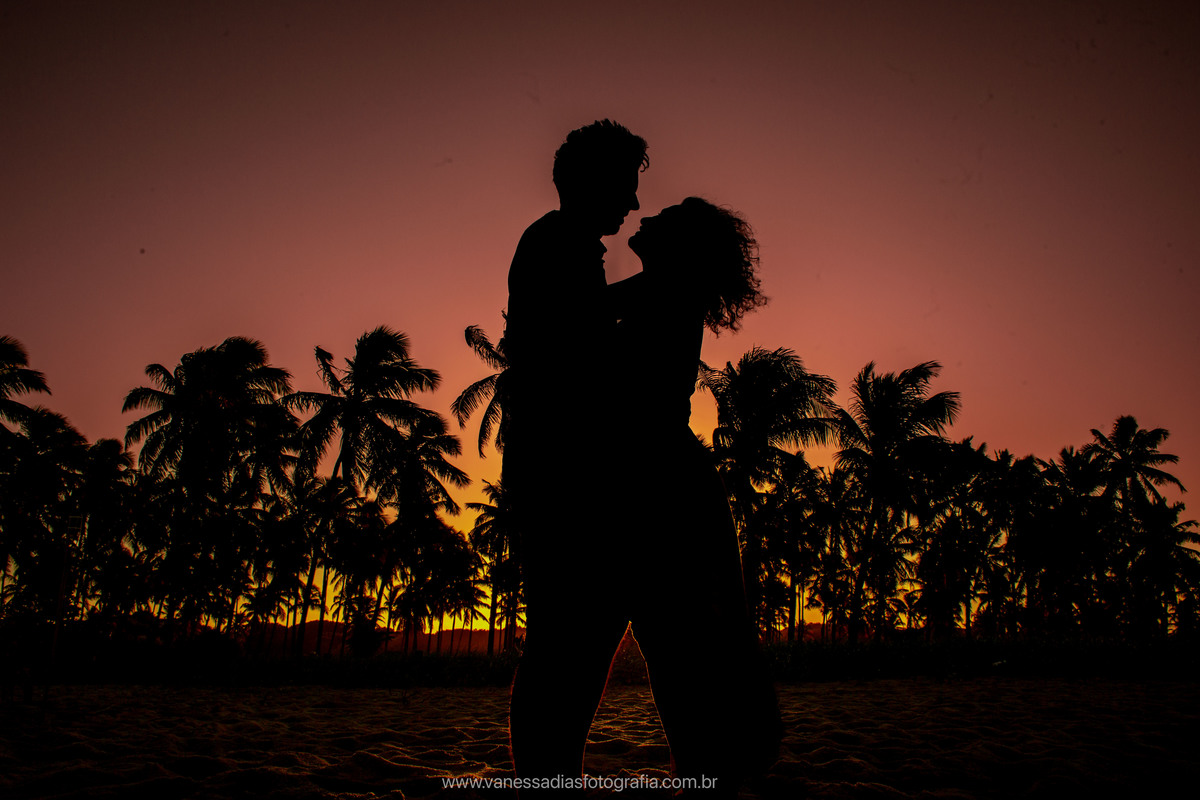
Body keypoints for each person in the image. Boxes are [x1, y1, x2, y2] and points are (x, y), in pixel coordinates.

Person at [615, 197, 781, 795]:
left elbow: (576, 320)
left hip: (665, 479)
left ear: (680, 245)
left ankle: (708, 769)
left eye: (666, 216)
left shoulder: (664, 291)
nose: (647, 216)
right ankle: (709, 768)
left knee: (682, 638)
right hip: (666, 476)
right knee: (680, 637)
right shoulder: (655, 288)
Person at [503, 119, 649, 794]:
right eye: (627, 185)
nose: (634, 203)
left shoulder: (559, 244)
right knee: (568, 636)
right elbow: (582, 343)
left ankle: (551, 774)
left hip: (552, 464)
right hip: (562, 470)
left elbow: (584, 327)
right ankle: (547, 778)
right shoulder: (558, 244)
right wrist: (659, 287)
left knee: (569, 634)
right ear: (594, 182)